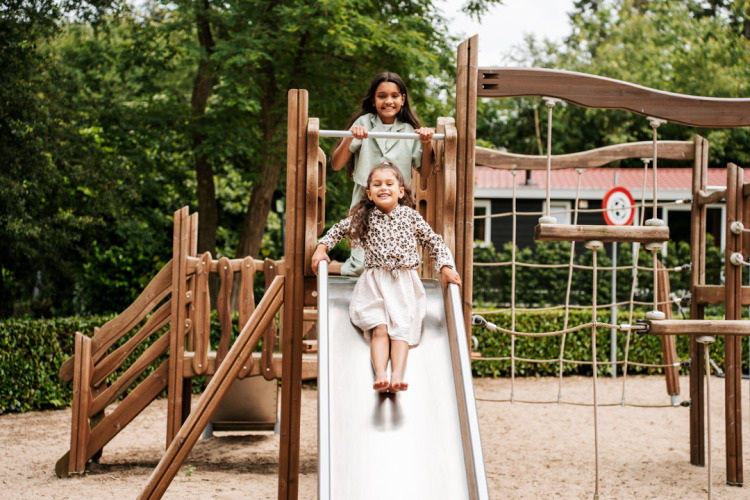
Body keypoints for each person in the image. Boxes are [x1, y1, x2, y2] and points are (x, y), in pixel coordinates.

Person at [311, 162, 461, 393]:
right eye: (377, 184)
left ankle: (397, 376)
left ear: (400, 191)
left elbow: (433, 241)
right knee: (379, 328)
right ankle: (381, 375)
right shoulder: (365, 217)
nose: (384, 188)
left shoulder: (411, 217)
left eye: (389, 184)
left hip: (404, 283)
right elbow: (338, 230)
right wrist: (322, 249)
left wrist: (445, 267)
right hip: (374, 284)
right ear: (369, 194)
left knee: (401, 331)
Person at [330, 71, 435, 276]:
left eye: (394, 95)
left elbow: (425, 171)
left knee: (391, 261)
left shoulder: (408, 130)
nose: (388, 101)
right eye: (382, 96)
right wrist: (350, 138)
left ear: (402, 99)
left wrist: (427, 142)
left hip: (396, 203)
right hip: (365, 200)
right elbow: (336, 164)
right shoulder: (364, 123)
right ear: (373, 100)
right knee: (363, 262)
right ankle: (343, 273)